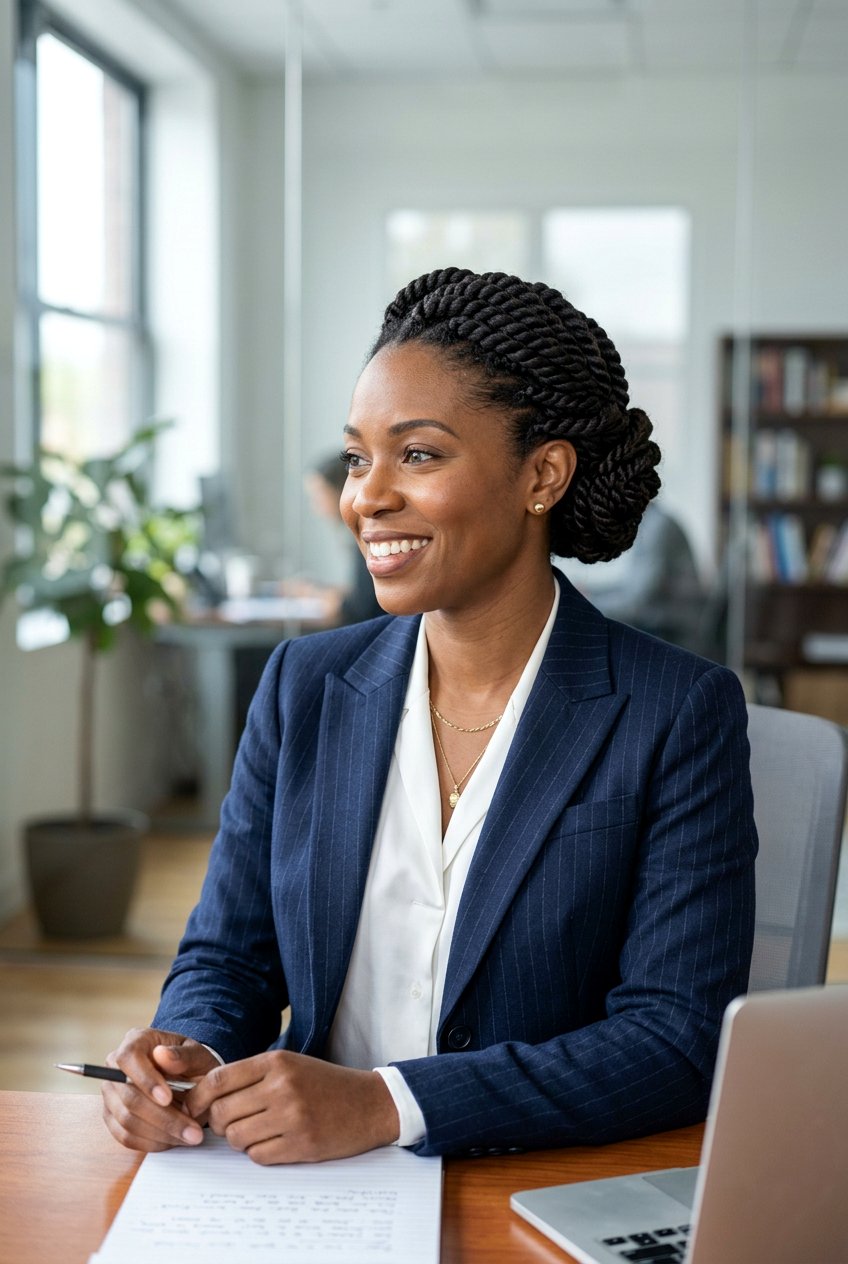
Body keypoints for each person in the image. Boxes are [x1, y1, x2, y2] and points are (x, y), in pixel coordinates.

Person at [102, 268, 757, 1165]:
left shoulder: (676, 710)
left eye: (418, 455)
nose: (367, 496)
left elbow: (676, 1039)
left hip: (532, 1183)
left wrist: (388, 1105)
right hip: (309, 1189)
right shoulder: (304, 685)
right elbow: (229, 956)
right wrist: (188, 1056)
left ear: (543, 475)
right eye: (358, 458)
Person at [300, 454, 385, 625]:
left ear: (341, 491)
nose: (316, 507)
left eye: (319, 495)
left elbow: (362, 607)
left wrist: (325, 598)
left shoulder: (368, 534)